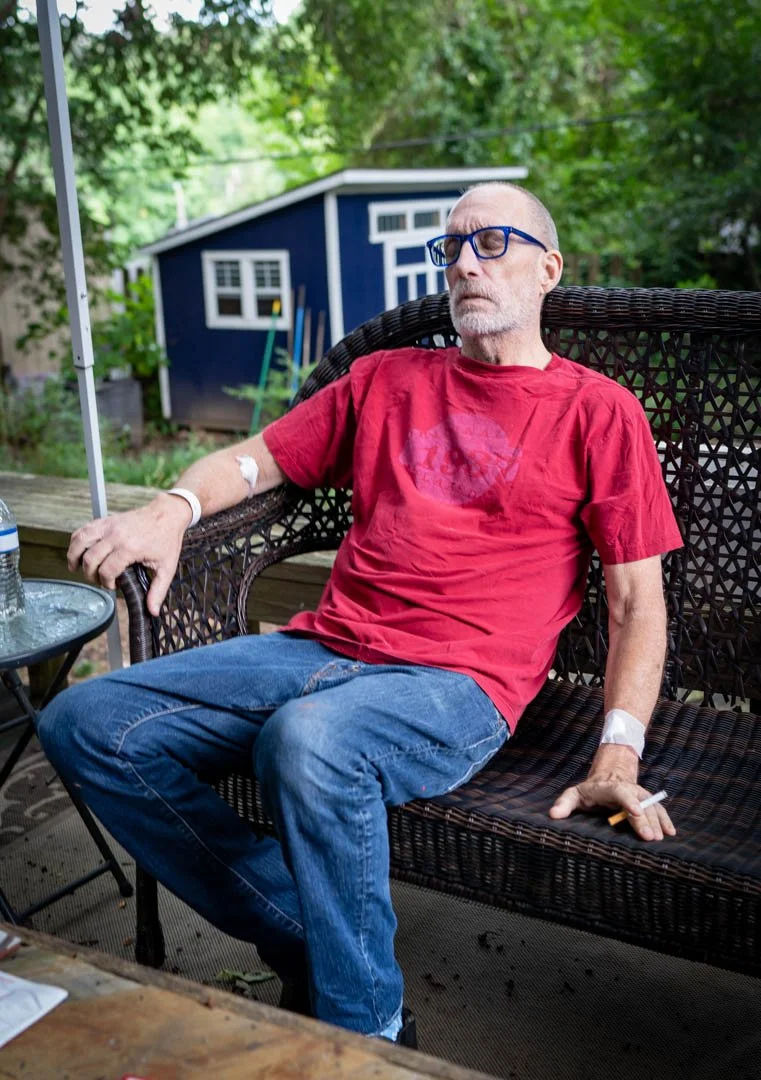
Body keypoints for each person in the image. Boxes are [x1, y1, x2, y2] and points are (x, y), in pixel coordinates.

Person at [37, 182, 682, 1045]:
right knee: (85, 721)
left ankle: (366, 1038)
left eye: (491, 242)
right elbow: (256, 460)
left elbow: (637, 601)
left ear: (547, 268)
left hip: (455, 683)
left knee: (306, 741)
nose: (464, 264)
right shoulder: (386, 378)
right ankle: (315, 936)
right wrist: (172, 508)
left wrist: (617, 752)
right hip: (321, 651)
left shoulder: (598, 411)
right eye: (450, 247)